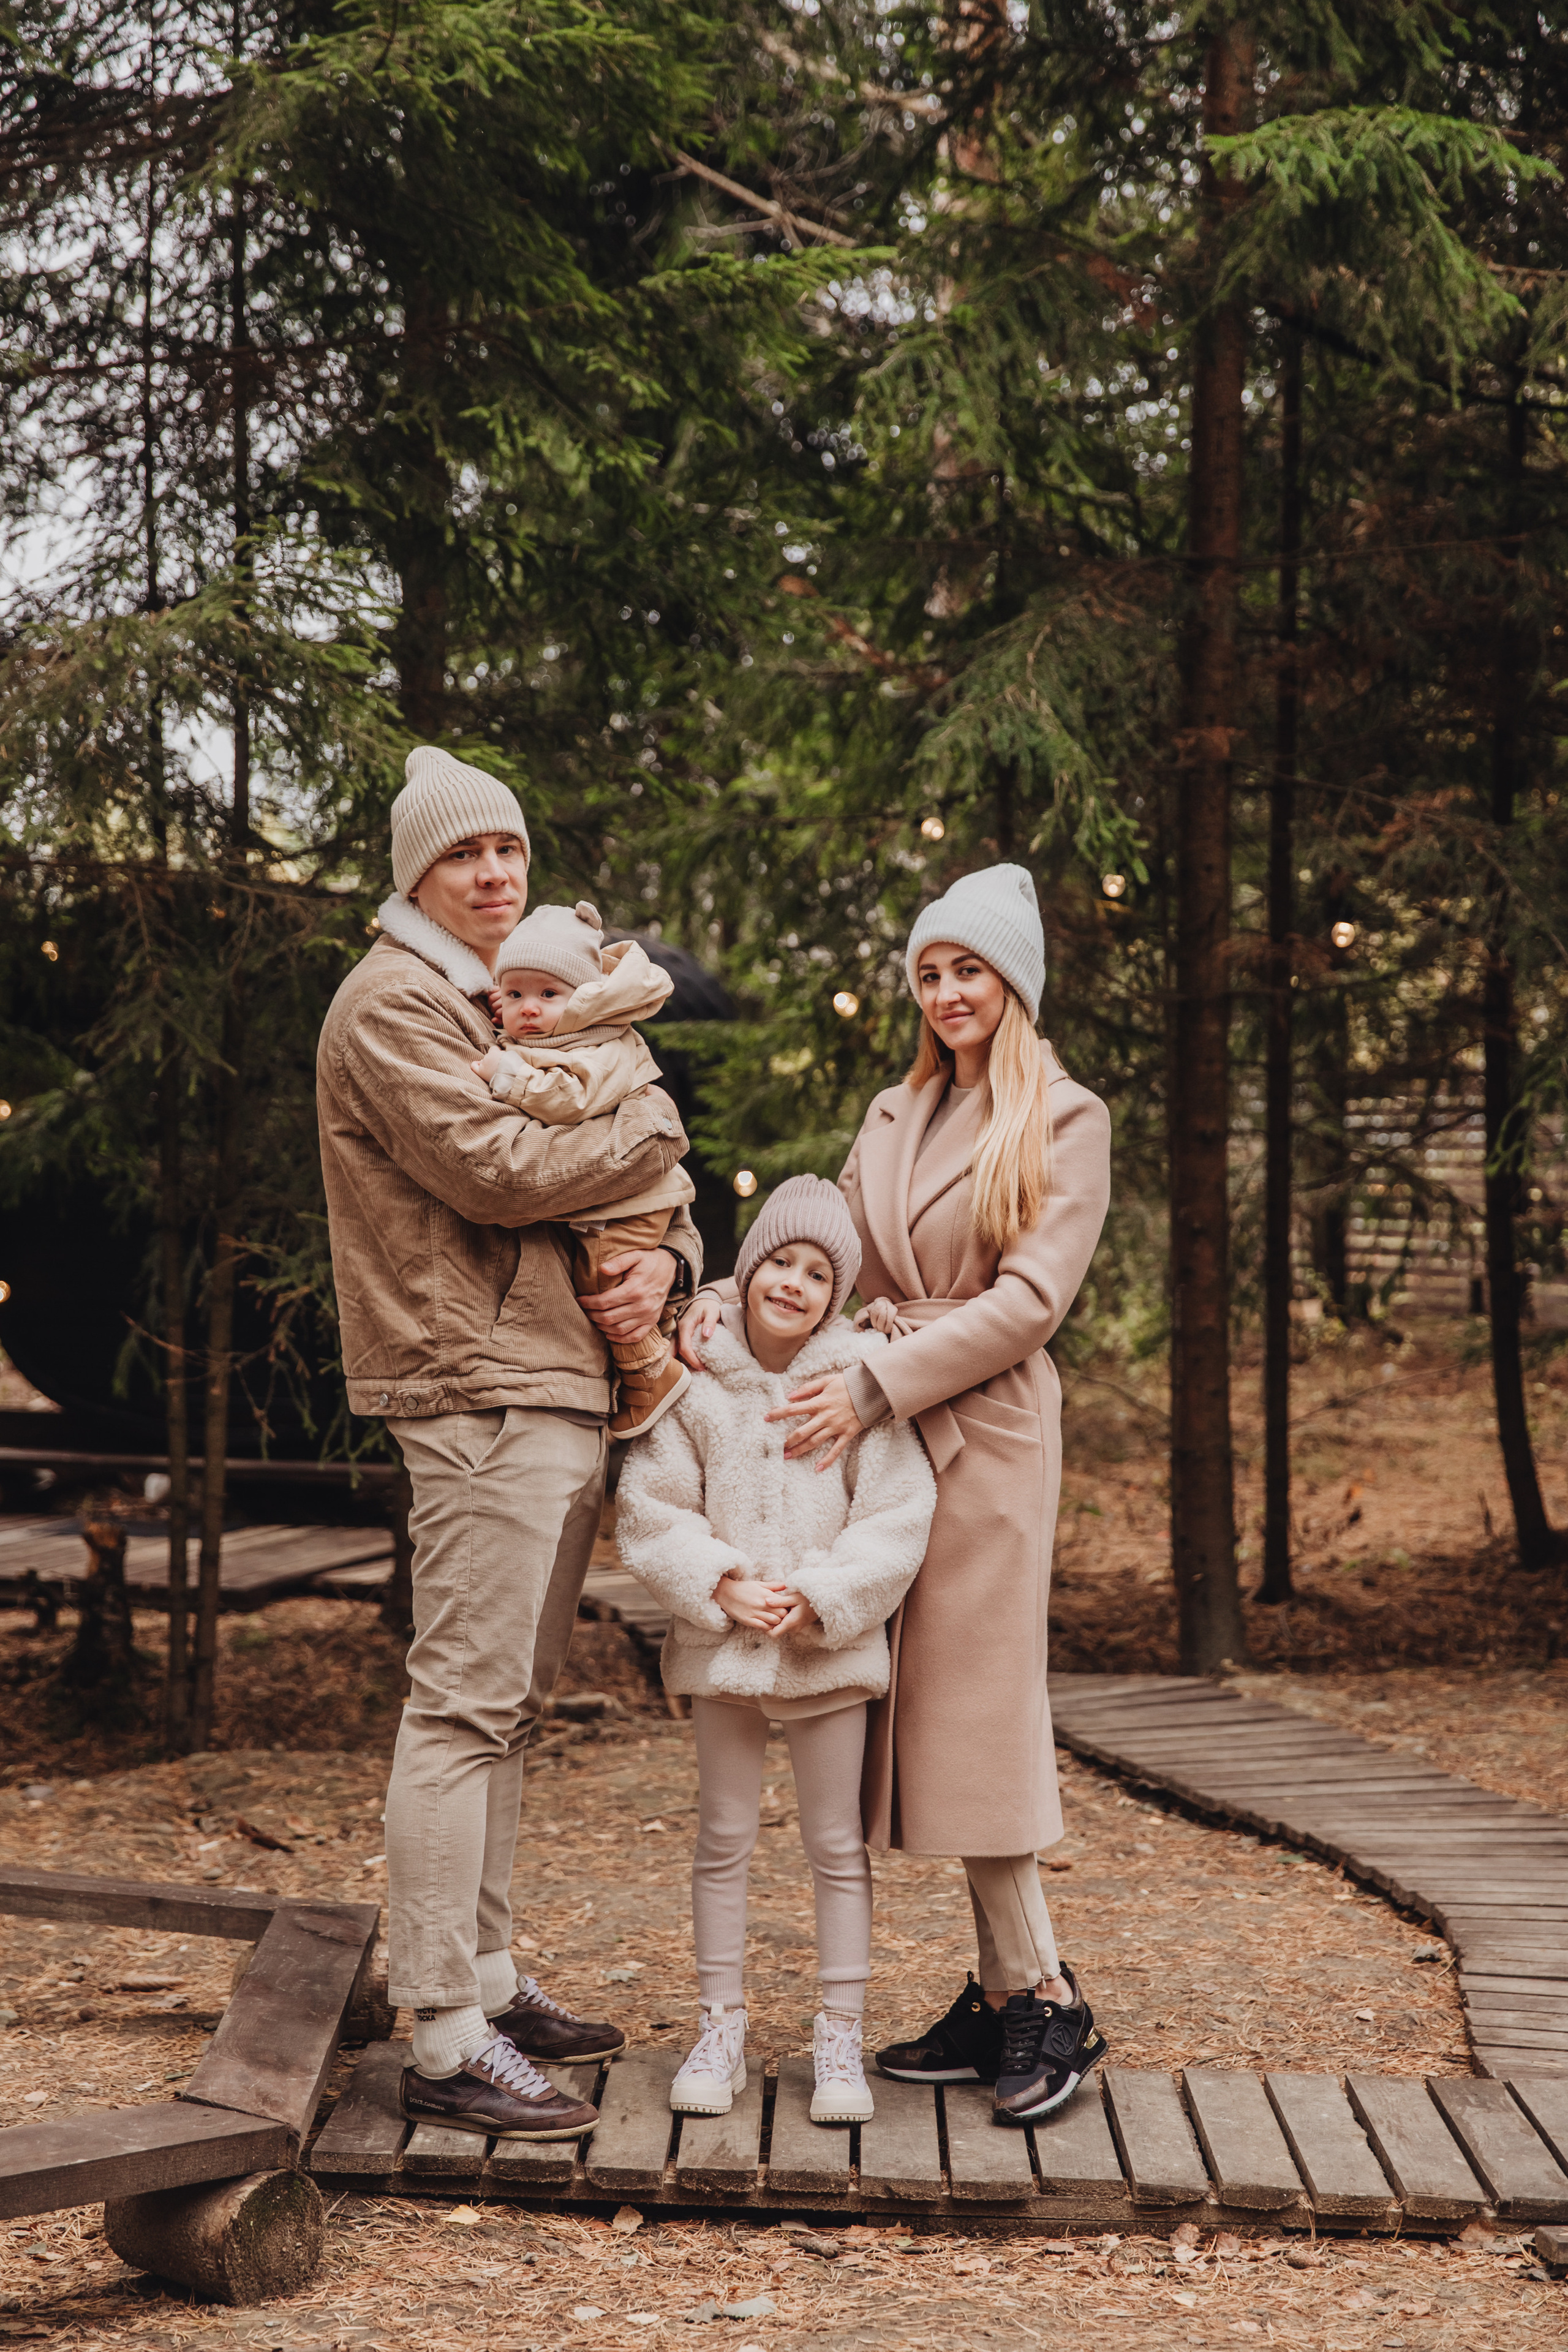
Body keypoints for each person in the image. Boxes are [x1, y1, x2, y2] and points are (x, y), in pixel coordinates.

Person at [680, 864, 1111, 2125]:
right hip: (874, 1435)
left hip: (980, 1428)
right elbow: (822, 1248)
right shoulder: (890, 1112)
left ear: (1012, 980)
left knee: (974, 1718)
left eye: (966, 968)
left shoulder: (1063, 1119)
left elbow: (1031, 1303)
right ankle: (994, 1996)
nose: (944, 992)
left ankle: (1045, 2001)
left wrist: (876, 1383)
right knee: (912, 1718)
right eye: (927, 972)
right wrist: (734, 1308)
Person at [317, 744, 702, 2142]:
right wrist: (659, 1124)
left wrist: (666, 1245)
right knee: (462, 1700)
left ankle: (482, 1975)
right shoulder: (392, 1002)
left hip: (554, 1376)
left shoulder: (508, 994)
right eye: (466, 854)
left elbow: (610, 1202)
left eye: (511, 852)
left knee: (513, 1703)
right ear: (415, 871)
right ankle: (438, 2031)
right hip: (472, 1377)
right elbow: (498, 1168)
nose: (495, 873)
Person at [616, 1176, 937, 2126]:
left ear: (836, 1296)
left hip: (825, 1660)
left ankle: (840, 2036)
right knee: (723, 1842)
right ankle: (720, 2028)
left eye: (816, 1273)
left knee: (835, 1848)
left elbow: (898, 1515)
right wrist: (720, 1583)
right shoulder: (698, 1387)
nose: (793, 1283)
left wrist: (825, 1596)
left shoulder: (860, 1388)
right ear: (747, 1271)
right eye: (779, 1264)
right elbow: (649, 1506)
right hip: (724, 1658)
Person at [469, 897, 696, 1436]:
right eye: (516, 993)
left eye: (548, 995)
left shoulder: (603, 1043)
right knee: (609, 1278)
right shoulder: (553, 1034)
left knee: (605, 1277)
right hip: (618, 1199)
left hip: (636, 1202)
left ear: (584, 997)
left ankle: (651, 1376)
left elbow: (571, 1101)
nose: (529, 1008)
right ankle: (650, 1366)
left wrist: (506, 1074)